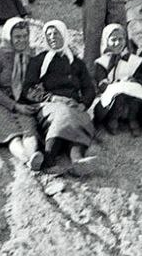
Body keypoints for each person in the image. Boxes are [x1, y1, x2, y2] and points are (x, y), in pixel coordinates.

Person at [32, 20, 97, 172]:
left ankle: (78, 162)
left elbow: (89, 89)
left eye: (56, 33)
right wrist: (51, 98)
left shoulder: (76, 62)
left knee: (79, 117)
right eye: (49, 35)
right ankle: (48, 160)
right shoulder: (39, 61)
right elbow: (28, 88)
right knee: (64, 114)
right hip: (48, 105)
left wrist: (83, 104)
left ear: (64, 35)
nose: (52, 37)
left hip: (73, 104)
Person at [0, 17, 44, 169]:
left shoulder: (31, 56)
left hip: (23, 101)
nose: (22, 40)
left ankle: (33, 156)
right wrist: (14, 106)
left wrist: (35, 94)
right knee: (11, 133)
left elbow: (37, 83)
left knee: (29, 129)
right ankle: (26, 158)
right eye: (17, 37)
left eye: (25, 36)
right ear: (8, 37)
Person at [91, 22, 142, 133]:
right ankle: (113, 119)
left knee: (135, 94)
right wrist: (116, 83)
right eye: (113, 40)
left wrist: (134, 81)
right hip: (112, 97)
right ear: (106, 41)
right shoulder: (102, 62)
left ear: (125, 40)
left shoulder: (134, 60)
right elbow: (101, 84)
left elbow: (141, 80)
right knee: (118, 96)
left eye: (120, 39)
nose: (117, 43)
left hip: (131, 96)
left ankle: (133, 119)